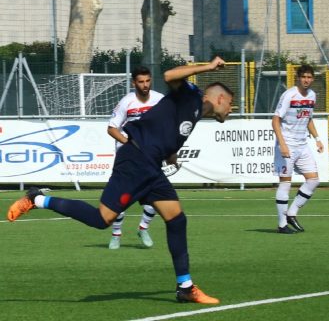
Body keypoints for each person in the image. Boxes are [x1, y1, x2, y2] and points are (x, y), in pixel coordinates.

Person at [7, 56, 233, 304]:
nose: (230, 110)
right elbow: (169, 75)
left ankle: (185, 287)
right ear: (219, 98)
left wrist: (170, 154)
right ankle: (37, 198)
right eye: (230, 104)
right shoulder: (191, 95)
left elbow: (168, 127)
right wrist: (209, 67)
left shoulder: (196, 111)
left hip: (151, 166)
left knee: (177, 220)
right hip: (136, 161)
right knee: (101, 219)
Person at [107, 65, 164, 250]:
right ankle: (116, 235)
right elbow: (112, 128)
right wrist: (127, 143)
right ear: (134, 83)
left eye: (147, 81)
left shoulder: (159, 100)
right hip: (128, 156)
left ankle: (143, 228)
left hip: (150, 155)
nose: (145, 85)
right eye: (141, 82)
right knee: (122, 198)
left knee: (156, 197)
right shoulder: (126, 102)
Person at [272, 64, 324, 234]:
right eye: (304, 77)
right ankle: (281, 225)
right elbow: (275, 120)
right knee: (285, 183)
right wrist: (283, 144)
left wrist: (317, 139)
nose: (306, 80)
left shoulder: (312, 96)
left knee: (313, 180)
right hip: (287, 144)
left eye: (309, 77)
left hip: (302, 145)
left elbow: (308, 119)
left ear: (312, 79)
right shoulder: (289, 95)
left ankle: (292, 213)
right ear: (298, 78)